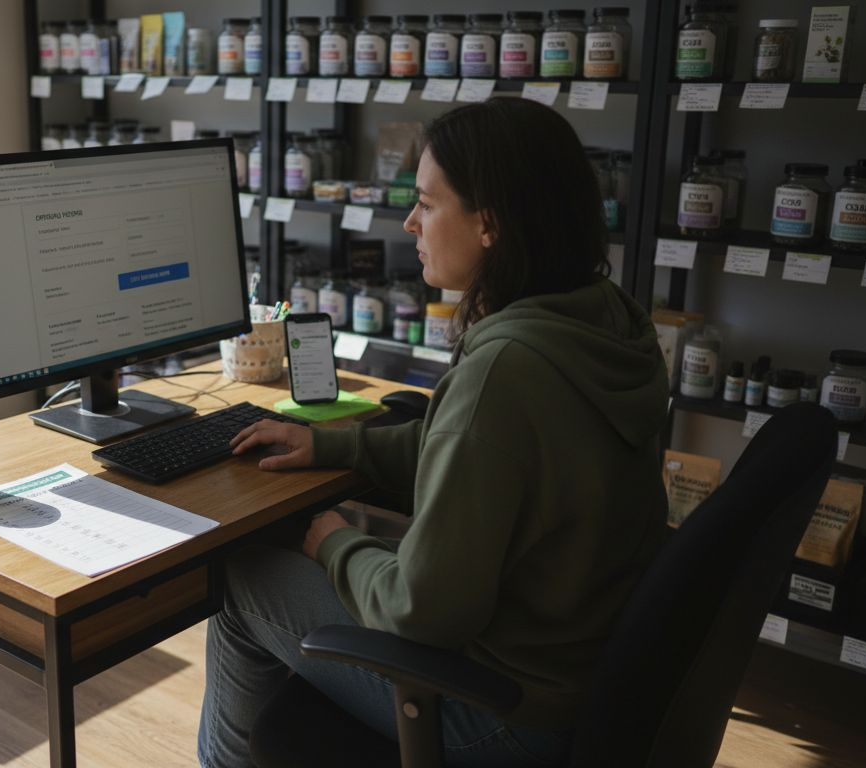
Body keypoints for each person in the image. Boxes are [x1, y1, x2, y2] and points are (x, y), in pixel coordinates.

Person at [197, 98, 669, 768]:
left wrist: (336, 544)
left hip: (500, 715)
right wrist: (336, 445)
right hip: (579, 676)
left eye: (427, 202)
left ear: (490, 224)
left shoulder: (506, 371)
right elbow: (478, 457)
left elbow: (420, 610)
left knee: (241, 575)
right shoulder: (606, 322)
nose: (411, 221)